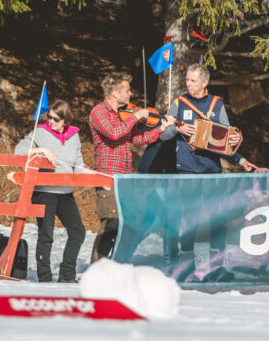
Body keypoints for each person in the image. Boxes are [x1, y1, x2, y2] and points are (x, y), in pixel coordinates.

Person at [160, 63, 257, 282]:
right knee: (189, 221)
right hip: (186, 172)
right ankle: (186, 268)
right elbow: (161, 135)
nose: (188, 83)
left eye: (193, 80)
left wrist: (239, 154)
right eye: (187, 79)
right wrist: (177, 128)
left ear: (205, 82)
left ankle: (217, 268)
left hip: (211, 172)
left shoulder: (216, 104)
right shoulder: (179, 103)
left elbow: (227, 141)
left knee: (217, 220)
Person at [89, 72, 176, 263]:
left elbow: (137, 139)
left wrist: (161, 129)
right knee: (111, 225)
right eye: (127, 90)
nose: (130, 94)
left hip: (124, 180)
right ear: (115, 93)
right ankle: (97, 269)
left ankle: (116, 264)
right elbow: (113, 133)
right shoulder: (99, 113)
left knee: (126, 225)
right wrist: (136, 116)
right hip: (108, 180)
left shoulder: (123, 114)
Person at [15, 100, 87, 283]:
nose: (51, 121)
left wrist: (98, 177)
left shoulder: (74, 136)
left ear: (66, 120)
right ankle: (45, 276)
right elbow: (20, 150)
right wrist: (41, 150)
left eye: (56, 119)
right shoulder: (40, 131)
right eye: (50, 117)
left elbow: (78, 164)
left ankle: (67, 274)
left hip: (65, 192)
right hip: (44, 191)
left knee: (78, 231)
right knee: (46, 233)